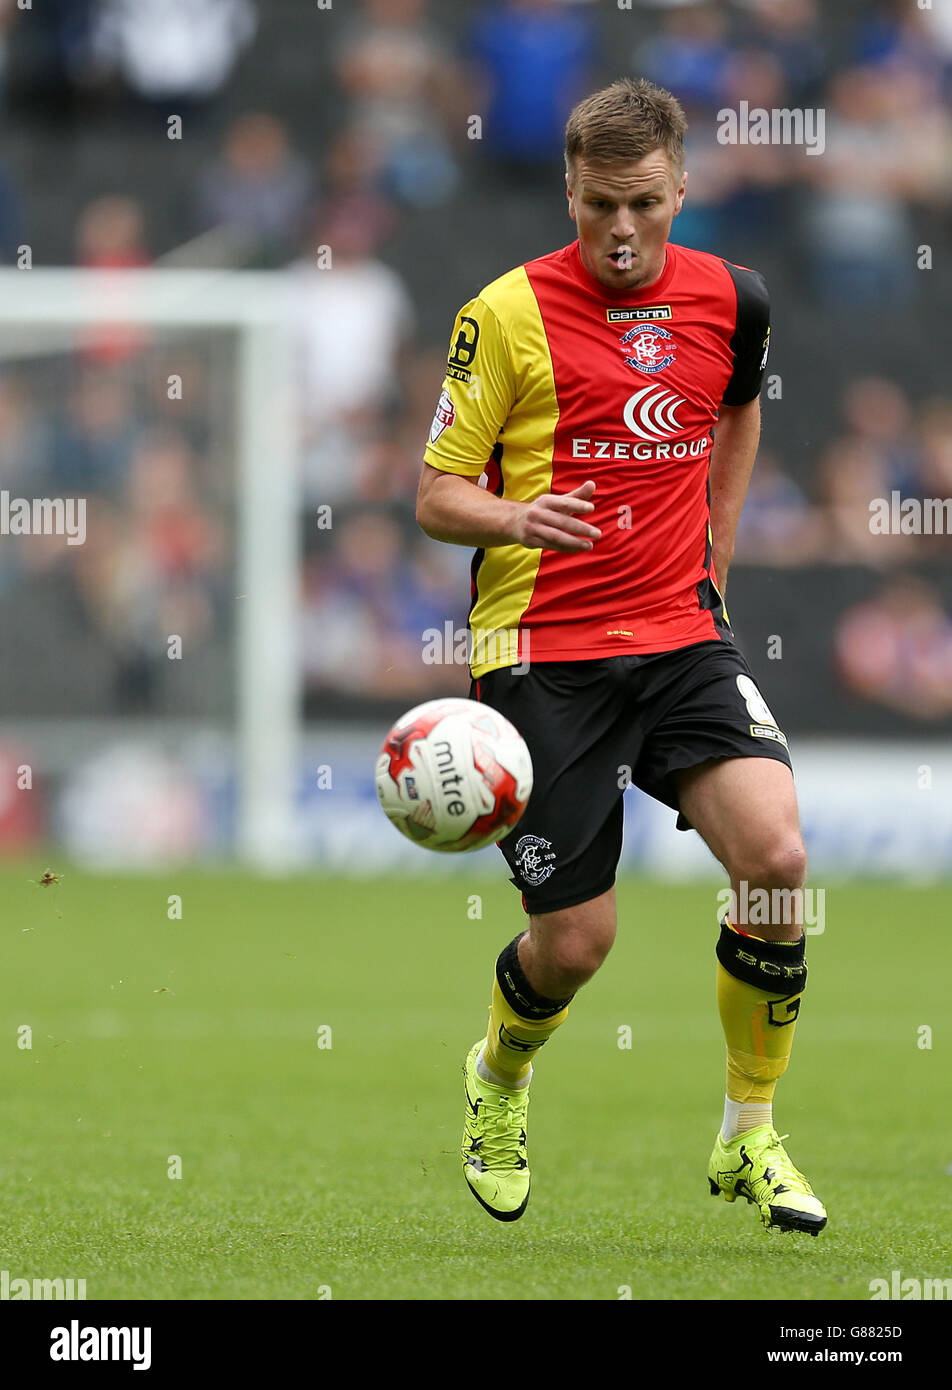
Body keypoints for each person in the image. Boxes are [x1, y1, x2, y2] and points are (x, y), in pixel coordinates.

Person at [415, 77, 826, 1236]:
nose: (623, 230)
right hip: (543, 649)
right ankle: (497, 1080)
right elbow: (435, 495)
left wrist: (718, 557)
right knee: (577, 943)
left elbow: (738, 408)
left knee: (778, 858)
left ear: (683, 188)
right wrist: (514, 517)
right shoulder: (502, 314)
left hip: (680, 632)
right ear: (569, 191)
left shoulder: (731, 300)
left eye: (644, 203)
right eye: (600, 205)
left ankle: (750, 1135)